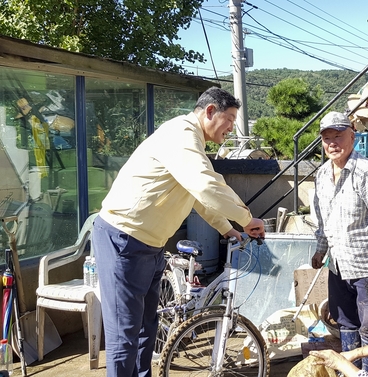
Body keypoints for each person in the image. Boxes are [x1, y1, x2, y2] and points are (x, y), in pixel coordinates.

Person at [92, 87, 266, 377]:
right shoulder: (180, 134)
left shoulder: (193, 143)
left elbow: (198, 195)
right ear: (210, 111)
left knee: (148, 330)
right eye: (230, 118)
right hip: (122, 239)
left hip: (150, 245)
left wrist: (226, 228)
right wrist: (245, 220)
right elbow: (204, 185)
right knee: (125, 333)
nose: (232, 127)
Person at [310, 111, 368, 371]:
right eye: (327, 138)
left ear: (352, 136)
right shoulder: (322, 175)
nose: (332, 143)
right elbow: (323, 219)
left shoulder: (367, 171)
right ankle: (349, 372)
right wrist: (320, 249)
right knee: (345, 324)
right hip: (338, 266)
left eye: (338, 136)